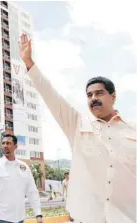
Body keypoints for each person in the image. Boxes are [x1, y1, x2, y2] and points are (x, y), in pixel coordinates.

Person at [19, 34, 136, 223]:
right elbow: (51, 95)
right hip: (90, 217)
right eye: (89, 95)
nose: (93, 98)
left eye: (99, 93)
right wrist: (29, 63)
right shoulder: (78, 125)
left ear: (113, 96)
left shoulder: (132, 130)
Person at [0, 134, 43, 223]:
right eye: (3, 143)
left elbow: (32, 191)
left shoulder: (24, 167)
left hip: (19, 218)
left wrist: (38, 214)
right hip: (0, 218)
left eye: (8, 143)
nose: (5, 145)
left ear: (15, 146)